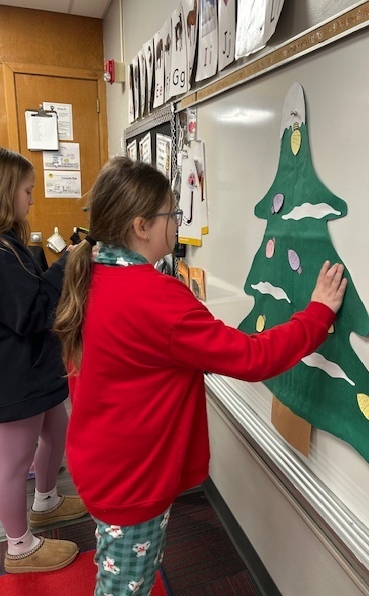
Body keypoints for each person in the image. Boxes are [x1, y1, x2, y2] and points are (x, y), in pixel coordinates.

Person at [54, 156, 347, 596]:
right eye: (172, 213)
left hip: (103, 466)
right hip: (133, 480)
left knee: (120, 571)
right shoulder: (153, 297)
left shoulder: (95, 273)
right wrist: (318, 313)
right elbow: (252, 358)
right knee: (123, 587)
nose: (177, 223)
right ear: (141, 226)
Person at [0, 147, 88, 574]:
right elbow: (32, 312)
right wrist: (67, 263)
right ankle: (19, 546)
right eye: (27, 191)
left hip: (38, 369)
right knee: (13, 461)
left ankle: (47, 500)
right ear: (5, 192)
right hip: (15, 378)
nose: (32, 199)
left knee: (57, 427)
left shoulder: (13, 244)